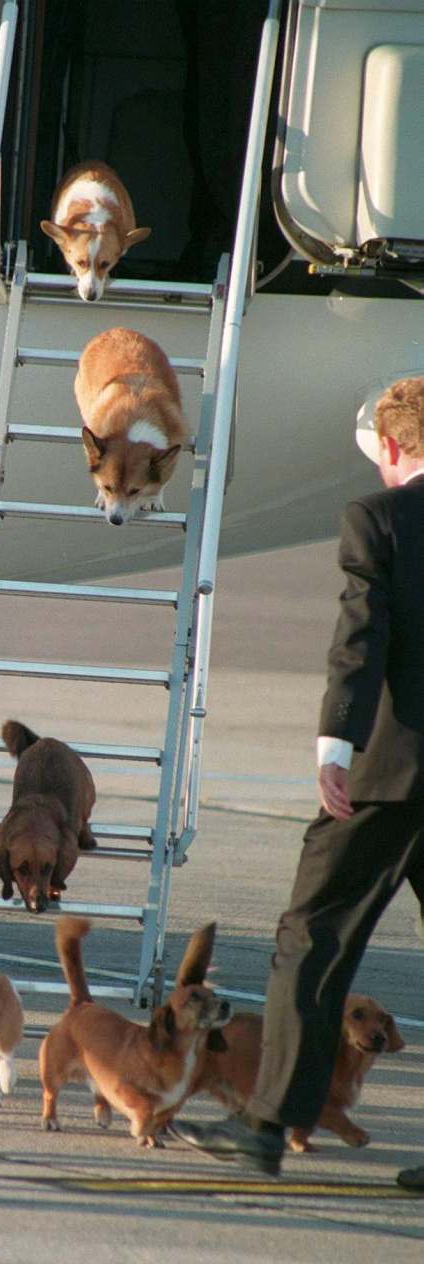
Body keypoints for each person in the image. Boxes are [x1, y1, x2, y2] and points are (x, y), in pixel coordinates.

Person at [171, 375, 424, 1191]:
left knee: (311, 938)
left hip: (391, 777)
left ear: (392, 446)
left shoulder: (380, 519)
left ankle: (267, 1121)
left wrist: (335, 745)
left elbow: (362, 639)